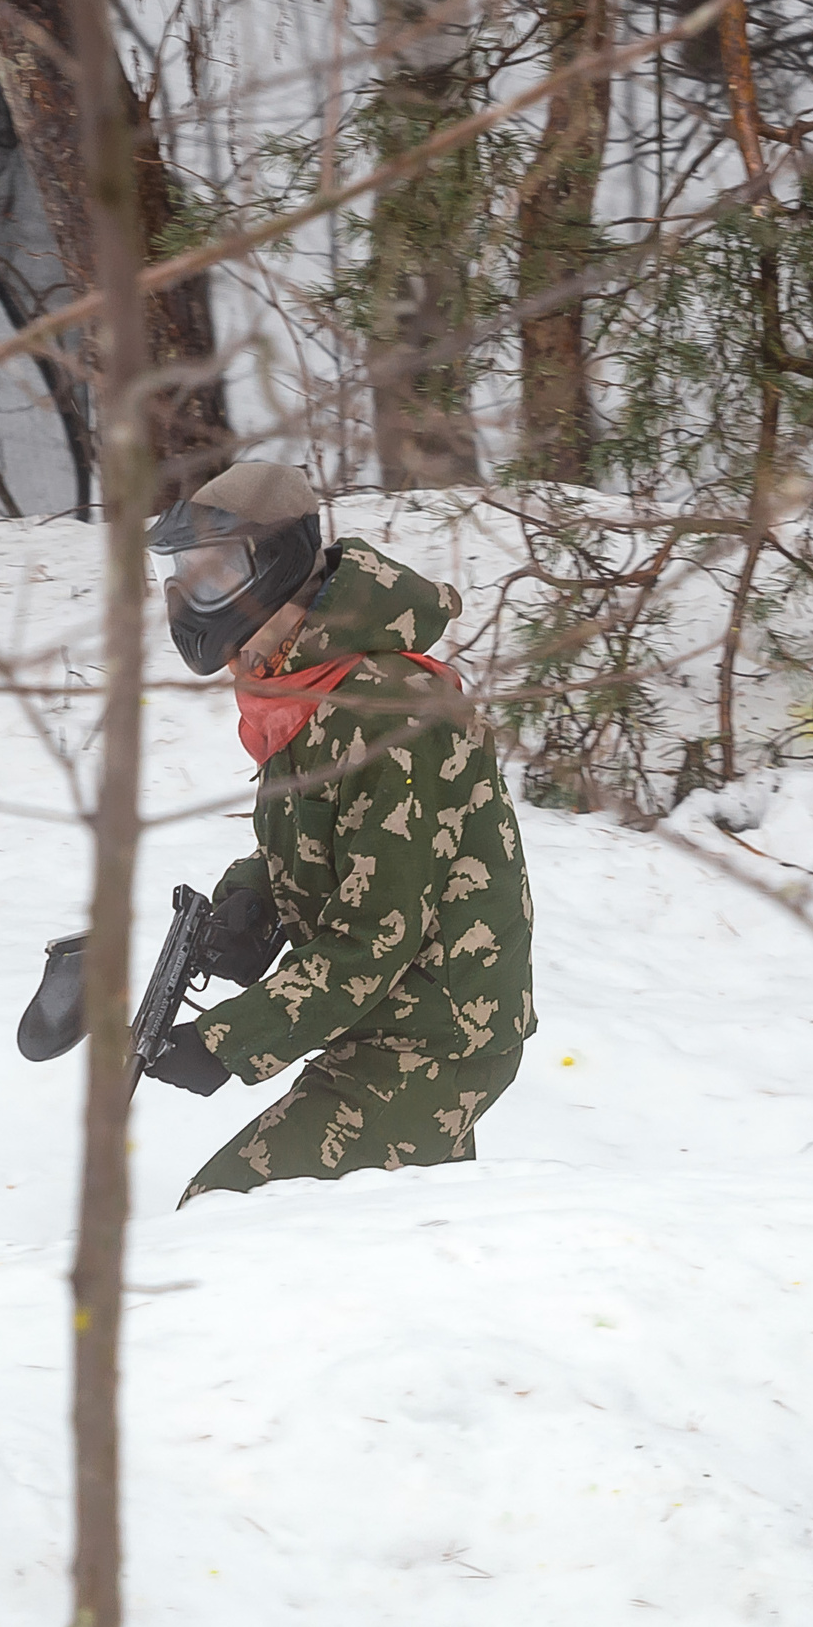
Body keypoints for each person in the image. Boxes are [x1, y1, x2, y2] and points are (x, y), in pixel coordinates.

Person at [137, 461, 536, 1203]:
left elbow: (373, 937)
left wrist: (224, 1044)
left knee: (227, 1213)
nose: (194, 594)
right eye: (185, 571)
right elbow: (327, 835)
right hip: (382, 1018)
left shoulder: (391, 711)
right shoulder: (302, 680)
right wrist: (249, 902)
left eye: (214, 569)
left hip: (438, 1036)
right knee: (392, 1243)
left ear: (278, 563)